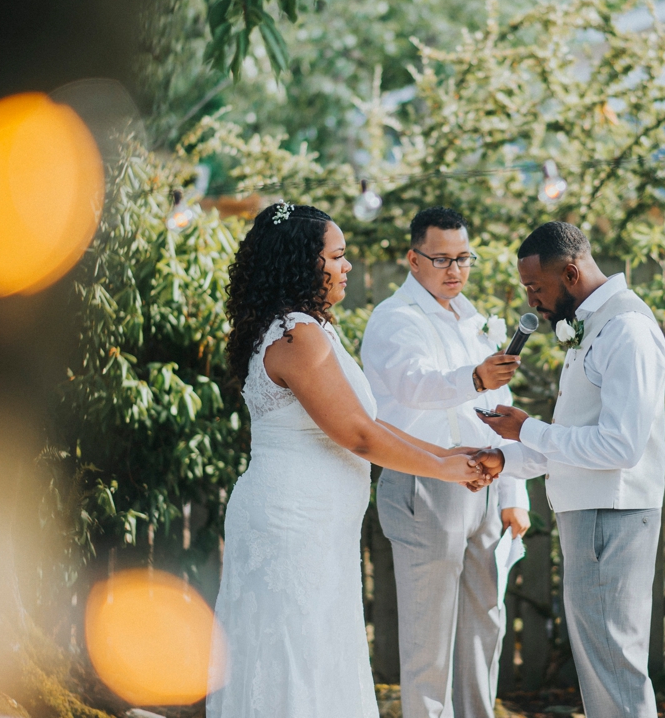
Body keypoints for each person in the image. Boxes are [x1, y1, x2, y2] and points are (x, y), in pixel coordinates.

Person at [207, 203, 491, 718]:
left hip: (316, 525)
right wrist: (443, 470)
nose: (347, 266)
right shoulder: (297, 335)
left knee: (315, 655)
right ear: (303, 263)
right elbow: (357, 435)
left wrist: (444, 451)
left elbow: (366, 420)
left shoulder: (303, 328)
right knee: (297, 658)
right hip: (293, 524)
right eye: (337, 256)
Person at [472, 221, 665, 718]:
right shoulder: (595, 324)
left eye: (535, 288)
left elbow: (620, 446)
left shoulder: (626, 329)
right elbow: (577, 438)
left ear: (571, 273)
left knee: (614, 666)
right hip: (592, 515)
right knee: (602, 667)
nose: (532, 301)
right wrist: (507, 458)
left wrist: (528, 429)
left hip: (611, 516)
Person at [361, 206, 531, 718]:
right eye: (442, 259)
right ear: (413, 259)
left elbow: (498, 407)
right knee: (429, 633)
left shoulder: (471, 316)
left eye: (463, 258)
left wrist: (513, 492)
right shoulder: (395, 318)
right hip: (425, 482)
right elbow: (413, 386)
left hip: (485, 481)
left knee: (486, 621)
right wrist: (475, 377)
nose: (455, 270)